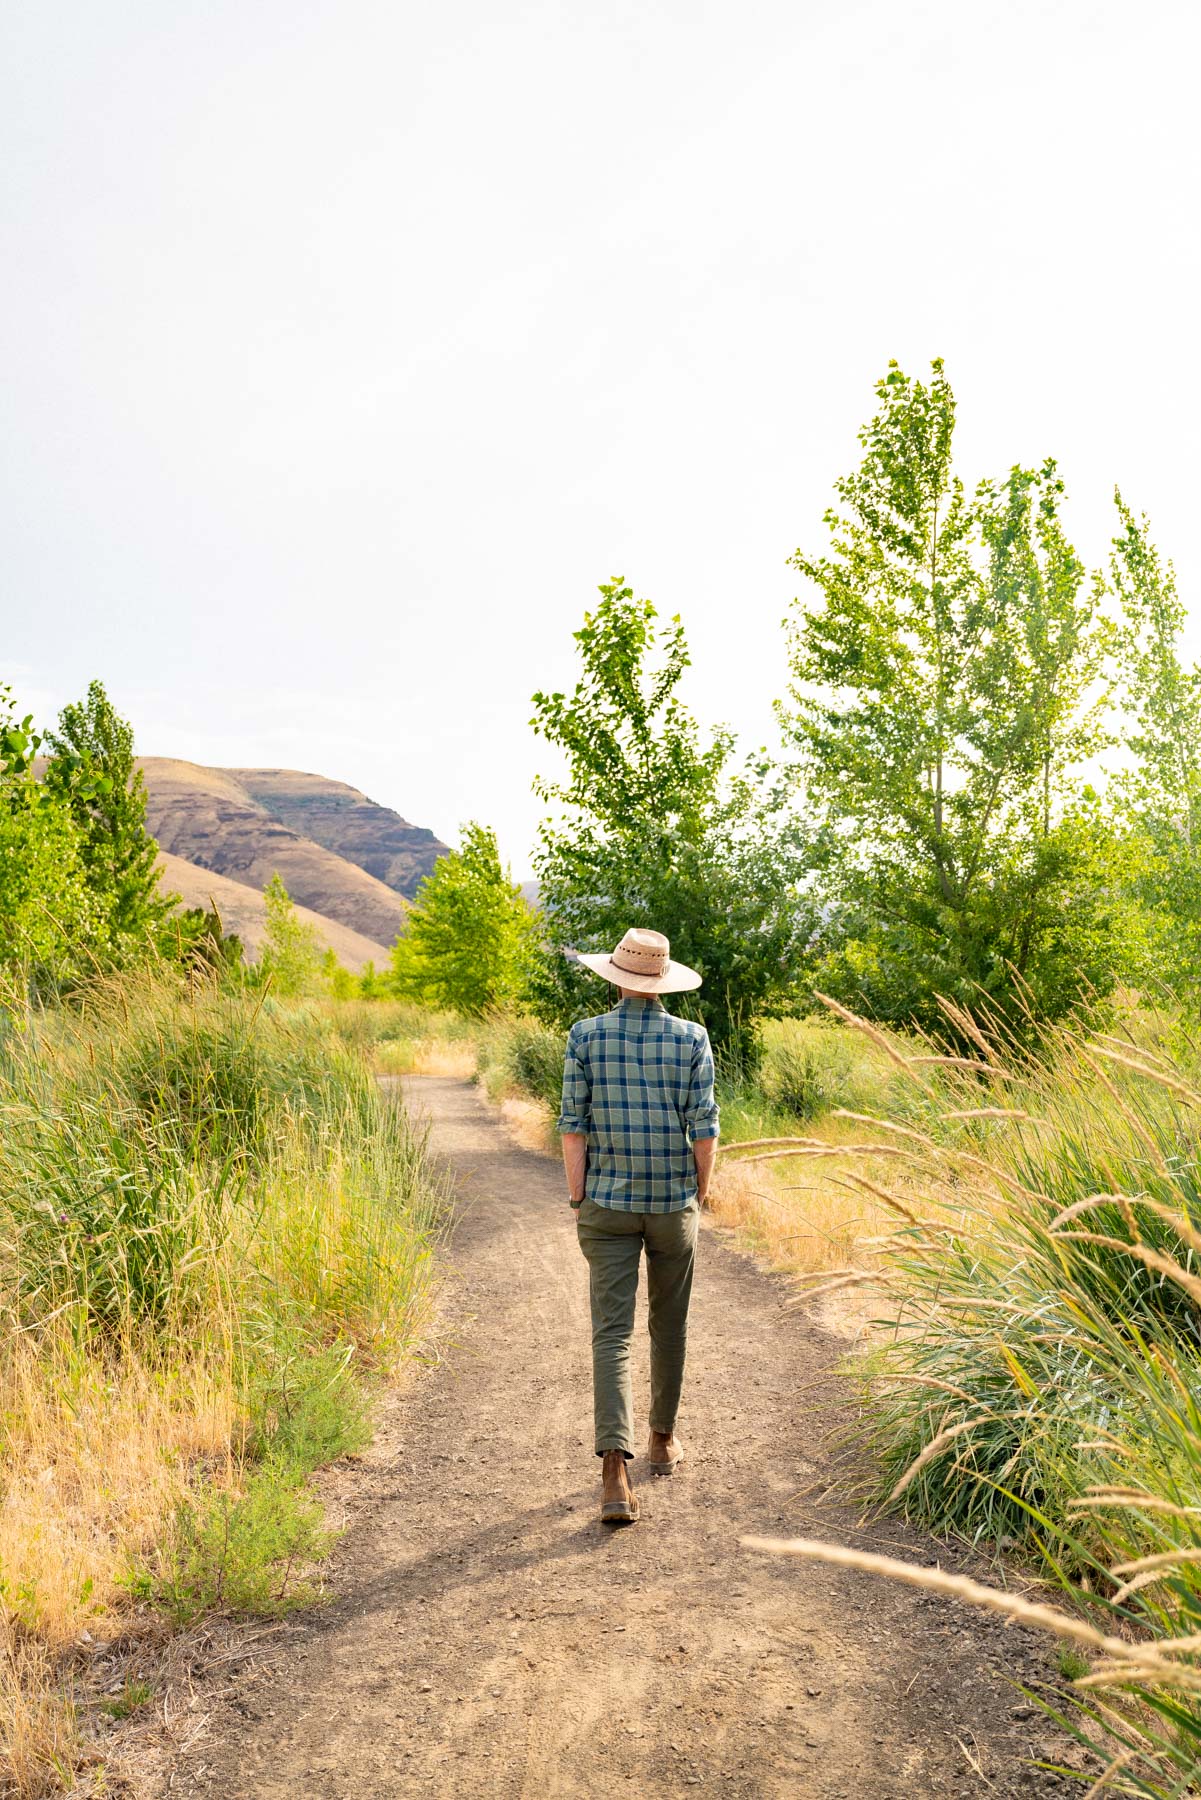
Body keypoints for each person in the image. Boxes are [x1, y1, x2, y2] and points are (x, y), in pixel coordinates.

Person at [557, 927, 720, 1525]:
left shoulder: (585, 1036)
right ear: (660, 982)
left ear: (616, 978)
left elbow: (573, 1125)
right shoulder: (692, 1039)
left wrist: (579, 1195)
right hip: (672, 1202)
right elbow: (704, 1128)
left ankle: (614, 1472)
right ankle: (660, 1440)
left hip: (607, 1202)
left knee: (611, 1333)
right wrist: (699, 1193)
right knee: (668, 1325)